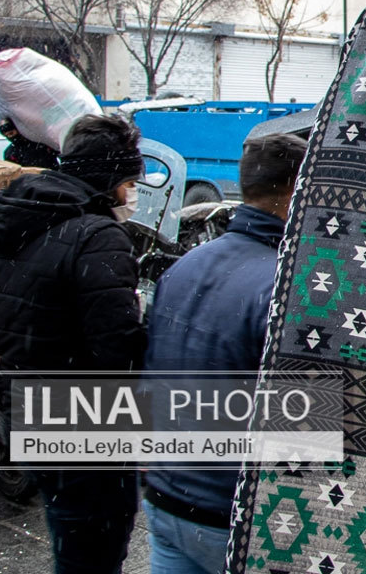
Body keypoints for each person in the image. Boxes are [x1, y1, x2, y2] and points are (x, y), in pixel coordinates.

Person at [0, 113, 146, 574]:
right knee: (97, 546)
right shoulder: (97, 235)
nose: (129, 196)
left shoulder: (7, 221)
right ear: (108, 179)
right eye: (128, 183)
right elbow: (119, 350)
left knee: (67, 530)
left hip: (27, 408)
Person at [142, 133, 307, 574]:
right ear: (298, 190)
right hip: (231, 517)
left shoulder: (184, 266)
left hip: (166, 500)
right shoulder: (284, 286)